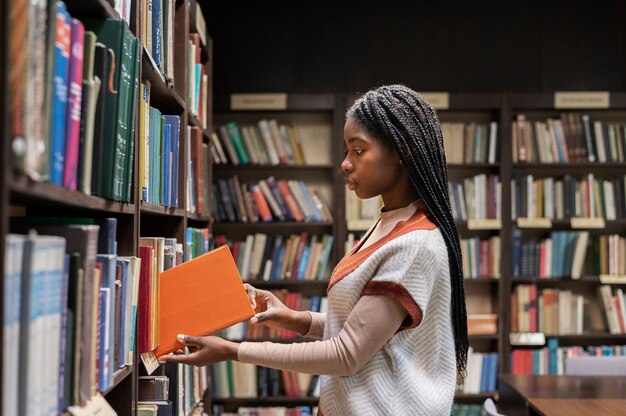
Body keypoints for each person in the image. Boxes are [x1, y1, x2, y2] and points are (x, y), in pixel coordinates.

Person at [161, 84, 469, 416]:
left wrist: (233, 350)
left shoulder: (415, 244)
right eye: (346, 150)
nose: (345, 164)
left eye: (358, 150)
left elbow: (347, 353)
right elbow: (368, 331)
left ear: (401, 153)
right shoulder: (392, 223)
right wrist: (294, 318)